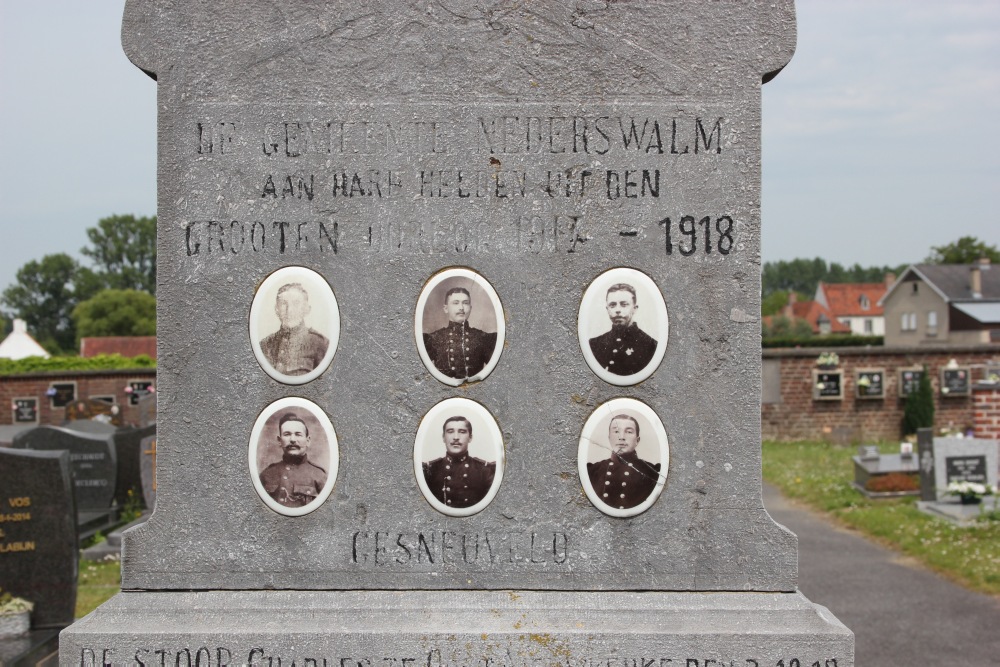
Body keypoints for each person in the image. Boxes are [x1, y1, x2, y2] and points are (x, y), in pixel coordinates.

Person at [586, 414, 660, 510]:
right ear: (609, 438)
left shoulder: (652, 473)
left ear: (637, 440)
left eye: (629, 432)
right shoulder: (592, 471)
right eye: (616, 431)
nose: (621, 437)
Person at [424, 286, 497, 380]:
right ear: (446, 309)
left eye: (465, 303)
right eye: (455, 303)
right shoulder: (434, 338)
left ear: (470, 308)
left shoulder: (482, 338)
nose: (461, 308)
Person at [422, 416, 496, 508]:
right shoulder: (429, 470)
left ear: (470, 437)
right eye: (450, 432)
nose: (456, 437)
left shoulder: (486, 471)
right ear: (443, 437)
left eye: (462, 432)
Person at [259, 412, 327, 508]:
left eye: (298, 434)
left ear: (307, 441)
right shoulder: (266, 474)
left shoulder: (320, 476)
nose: (292, 439)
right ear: (279, 441)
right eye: (287, 434)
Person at [259, 283, 329, 376]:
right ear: (276, 309)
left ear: (306, 309)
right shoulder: (264, 345)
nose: (289, 310)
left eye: (296, 303)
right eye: (284, 303)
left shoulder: (320, 344)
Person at [588, 283, 657, 376]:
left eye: (624, 304)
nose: (617, 310)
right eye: (612, 305)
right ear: (607, 309)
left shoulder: (651, 346)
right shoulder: (594, 344)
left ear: (635, 309)